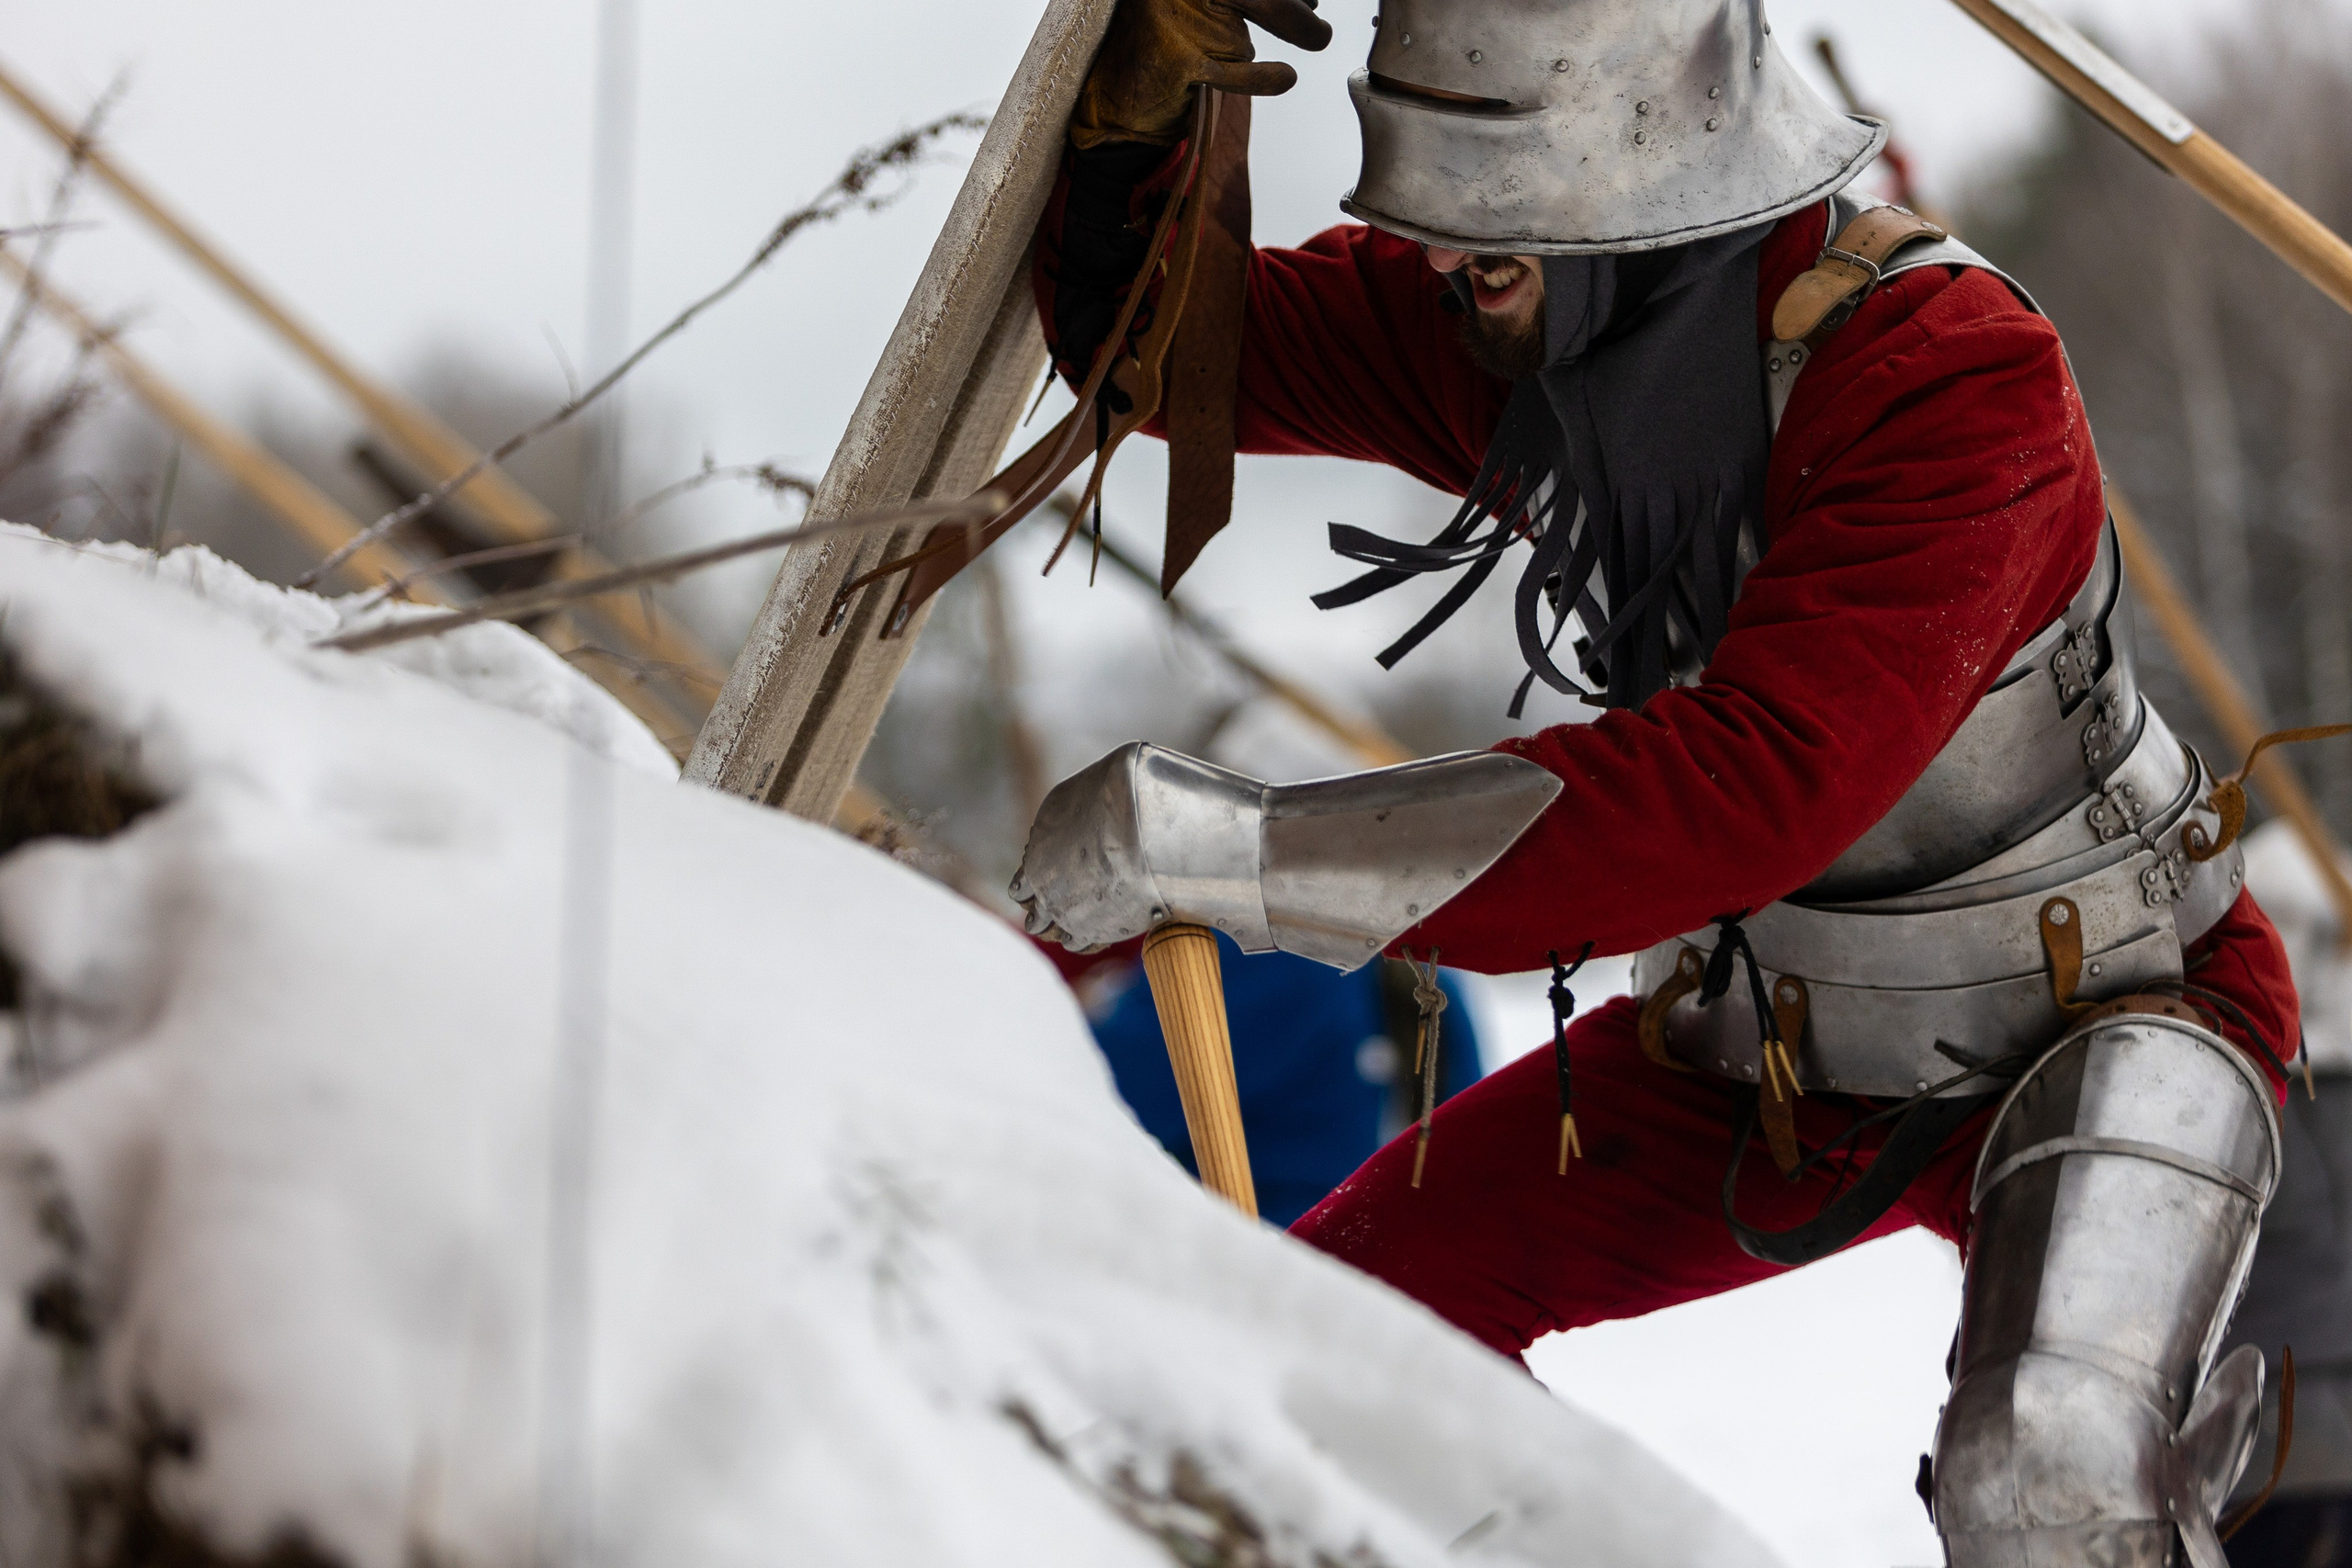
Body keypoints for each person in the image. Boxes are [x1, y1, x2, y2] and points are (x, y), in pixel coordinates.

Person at [1010, 1, 2304, 1562]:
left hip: (2095, 1004)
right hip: (1767, 1040)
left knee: (2050, 1474)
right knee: (1346, 1345)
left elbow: (1744, 791)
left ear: (1646, 176)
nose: (1440, 264)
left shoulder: (1952, 375)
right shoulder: (1522, 324)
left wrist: (1240, 851)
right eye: (1444, 228)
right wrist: (1136, 126)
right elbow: (1166, 352)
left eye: (1493, 233)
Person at [1064, 935, 1482, 1226]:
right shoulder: (1418, 972)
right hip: (1359, 1269)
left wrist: (1073, 1007)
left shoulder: (1265, 957)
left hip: (1248, 1260)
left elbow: (1089, 1103)